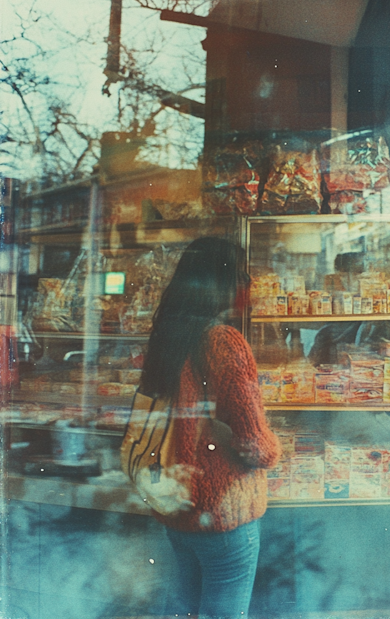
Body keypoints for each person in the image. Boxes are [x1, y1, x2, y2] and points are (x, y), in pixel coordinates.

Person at [139, 236, 281, 619]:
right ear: (224, 283)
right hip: (222, 511)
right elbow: (255, 444)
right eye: (242, 275)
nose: (248, 283)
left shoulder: (168, 336)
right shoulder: (224, 341)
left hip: (178, 501)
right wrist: (276, 448)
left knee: (184, 604)